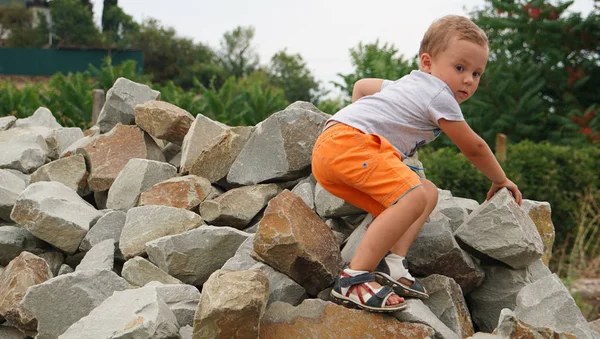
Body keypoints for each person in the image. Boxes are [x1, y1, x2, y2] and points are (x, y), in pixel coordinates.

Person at [311, 15, 523, 312]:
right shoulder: (439, 94)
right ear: (427, 62)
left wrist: (364, 124)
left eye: (476, 74)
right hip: (350, 146)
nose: (467, 80)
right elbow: (473, 147)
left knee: (426, 192)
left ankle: (393, 263)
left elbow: (361, 87)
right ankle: (353, 278)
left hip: (333, 152)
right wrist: (500, 180)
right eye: (459, 67)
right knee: (412, 195)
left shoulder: (405, 85)